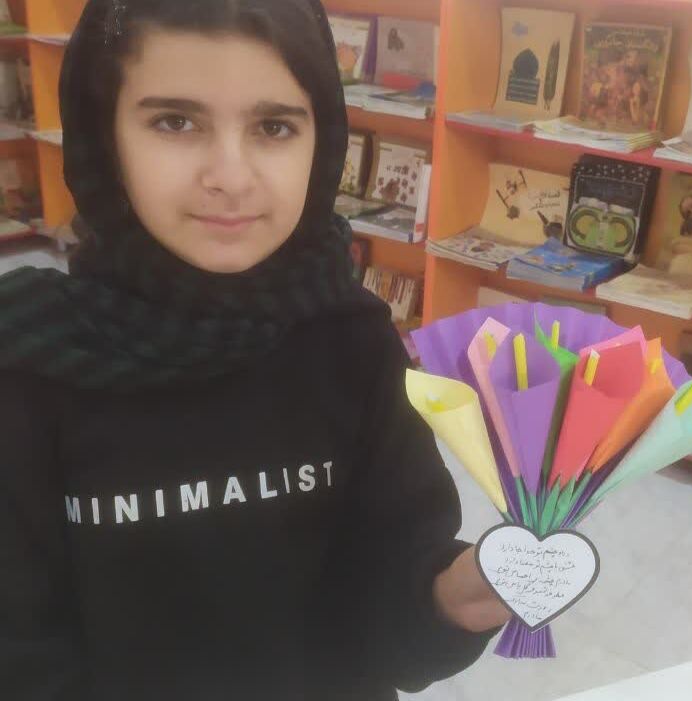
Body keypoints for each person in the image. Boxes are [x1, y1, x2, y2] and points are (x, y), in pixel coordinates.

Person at [0, 1, 509, 699]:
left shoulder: (353, 341)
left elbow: (388, 594)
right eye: (174, 122)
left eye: (273, 127)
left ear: (321, 140)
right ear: (103, 135)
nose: (231, 176)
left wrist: (454, 596)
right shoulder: (27, 367)